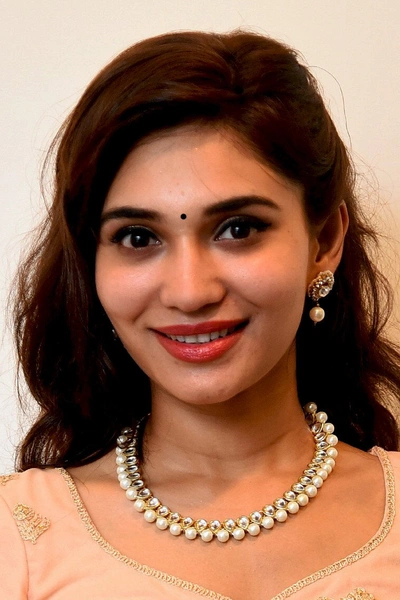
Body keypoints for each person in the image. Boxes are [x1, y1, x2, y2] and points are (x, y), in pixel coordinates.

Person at [1, 30, 399, 600]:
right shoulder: (16, 537)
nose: (190, 293)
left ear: (325, 241)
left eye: (238, 229)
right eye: (138, 237)